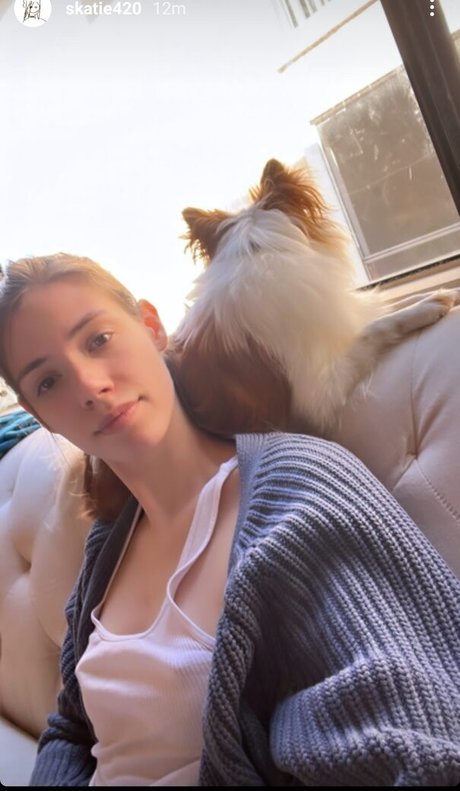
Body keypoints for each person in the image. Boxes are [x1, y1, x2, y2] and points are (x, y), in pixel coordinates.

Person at [0, 252, 459, 787]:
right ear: (39, 415)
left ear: (151, 326)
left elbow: (413, 734)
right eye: (48, 382)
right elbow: (72, 727)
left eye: (98, 339)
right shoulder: (108, 544)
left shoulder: (297, 488)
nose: (88, 385)